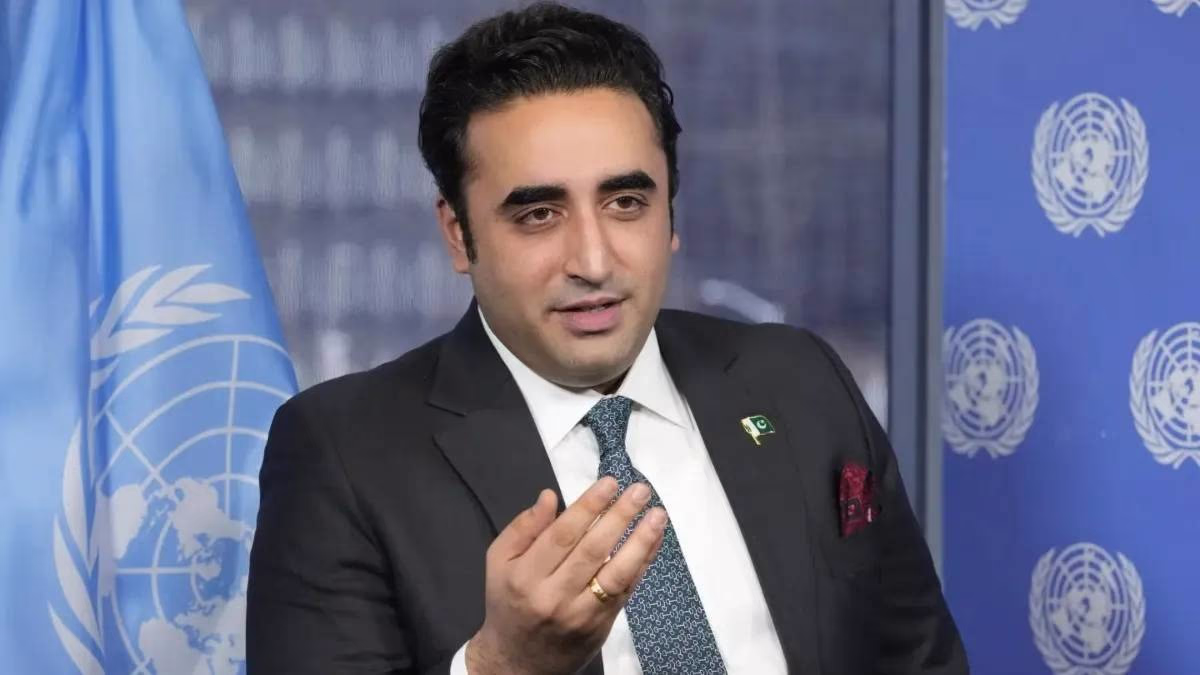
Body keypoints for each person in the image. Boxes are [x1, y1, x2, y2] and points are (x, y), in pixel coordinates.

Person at [246, 3, 968, 673]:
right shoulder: (346, 454)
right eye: (538, 215)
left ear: (671, 213)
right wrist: (502, 664)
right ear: (458, 233)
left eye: (626, 202)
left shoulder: (798, 380)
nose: (592, 261)